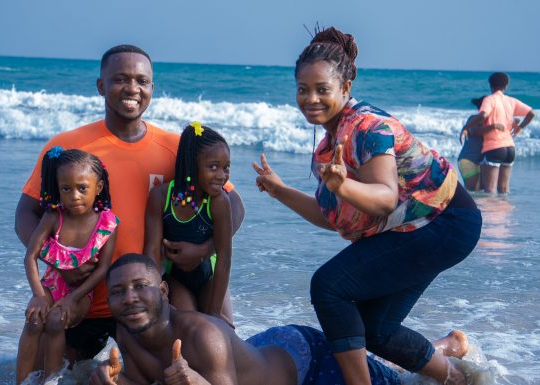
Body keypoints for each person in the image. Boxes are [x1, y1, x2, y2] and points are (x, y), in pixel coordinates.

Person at [252, 27, 482, 385]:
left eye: (322, 89)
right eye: (302, 89)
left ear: (345, 89)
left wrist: (344, 184)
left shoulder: (367, 127)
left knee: (329, 287)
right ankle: (457, 377)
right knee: (376, 328)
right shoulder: (328, 147)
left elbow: (384, 197)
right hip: (425, 226)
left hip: (445, 221)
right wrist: (280, 190)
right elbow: (333, 218)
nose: (310, 98)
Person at [15, 44, 244, 364]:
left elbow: (232, 204)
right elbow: (26, 213)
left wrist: (204, 249)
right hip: (84, 297)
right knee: (51, 370)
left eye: (142, 81)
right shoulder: (68, 146)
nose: (132, 88)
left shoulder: (178, 149)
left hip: (148, 297)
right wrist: (62, 263)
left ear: (152, 88)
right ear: (101, 86)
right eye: (121, 78)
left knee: (184, 366)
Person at [89, 254, 469, 385]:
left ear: (164, 292)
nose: (130, 298)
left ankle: (446, 347)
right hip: (262, 351)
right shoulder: (126, 327)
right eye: (119, 292)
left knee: (396, 382)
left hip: (307, 361)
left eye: (141, 286)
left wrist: (195, 381)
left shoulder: (202, 336)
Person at [16, 148, 118, 383]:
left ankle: (51, 380)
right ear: (58, 189)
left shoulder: (106, 223)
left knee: (54, 321)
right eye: (66, 189)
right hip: (50, 286)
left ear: (98, 187)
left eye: (82, 188)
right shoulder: (53, 217)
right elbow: (30, 256)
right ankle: (20, 381)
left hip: (81, 293)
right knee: (33, 319)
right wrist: (38, 295)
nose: (74, 196)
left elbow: (103, 269)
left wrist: (74, 298)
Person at [144, 122, 234, 326]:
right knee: (189, 324)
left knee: (219, 327)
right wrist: (154, 291)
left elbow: (224, 258)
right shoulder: (162, 196)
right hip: (175, 278)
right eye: (213, 167)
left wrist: (215, 311)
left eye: (226, 167)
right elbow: (151, 251)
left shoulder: (219, 202)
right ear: (192, 165)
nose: (222, 175)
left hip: (208, 276)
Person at [466, 72, 535, 193]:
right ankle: (505, 212)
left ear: (491, 86)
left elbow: (483, 115)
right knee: (504, 189)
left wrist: (466, 127)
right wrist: (520, 128)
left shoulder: (489, 99)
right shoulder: (512, 101)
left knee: (490, 190)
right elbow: (531, 113)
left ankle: (492, 213)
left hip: (494, 148)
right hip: (510, 149)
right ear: (506, 86)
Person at [457, 96, 507, 191]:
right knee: (472, 192)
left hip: (480, 161)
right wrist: (494, 126)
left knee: (480, 191)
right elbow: (475, 132)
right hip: (468, 160)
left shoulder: (490, 122)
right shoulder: (473, 119)